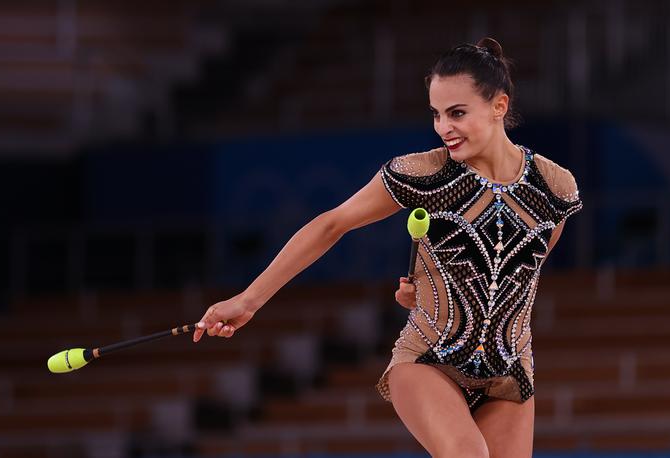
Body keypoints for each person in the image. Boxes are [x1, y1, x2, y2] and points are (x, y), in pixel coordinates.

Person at [193, 37, 582, 457]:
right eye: (436, 114)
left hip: (508, 374)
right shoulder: (424, 175)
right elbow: (331, 224)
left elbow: (522, 272)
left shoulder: (554, 188)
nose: (443, 128)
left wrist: (434, 283)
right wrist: (249, 300)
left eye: (457, 113)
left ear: (499, 106)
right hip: (429, 361)